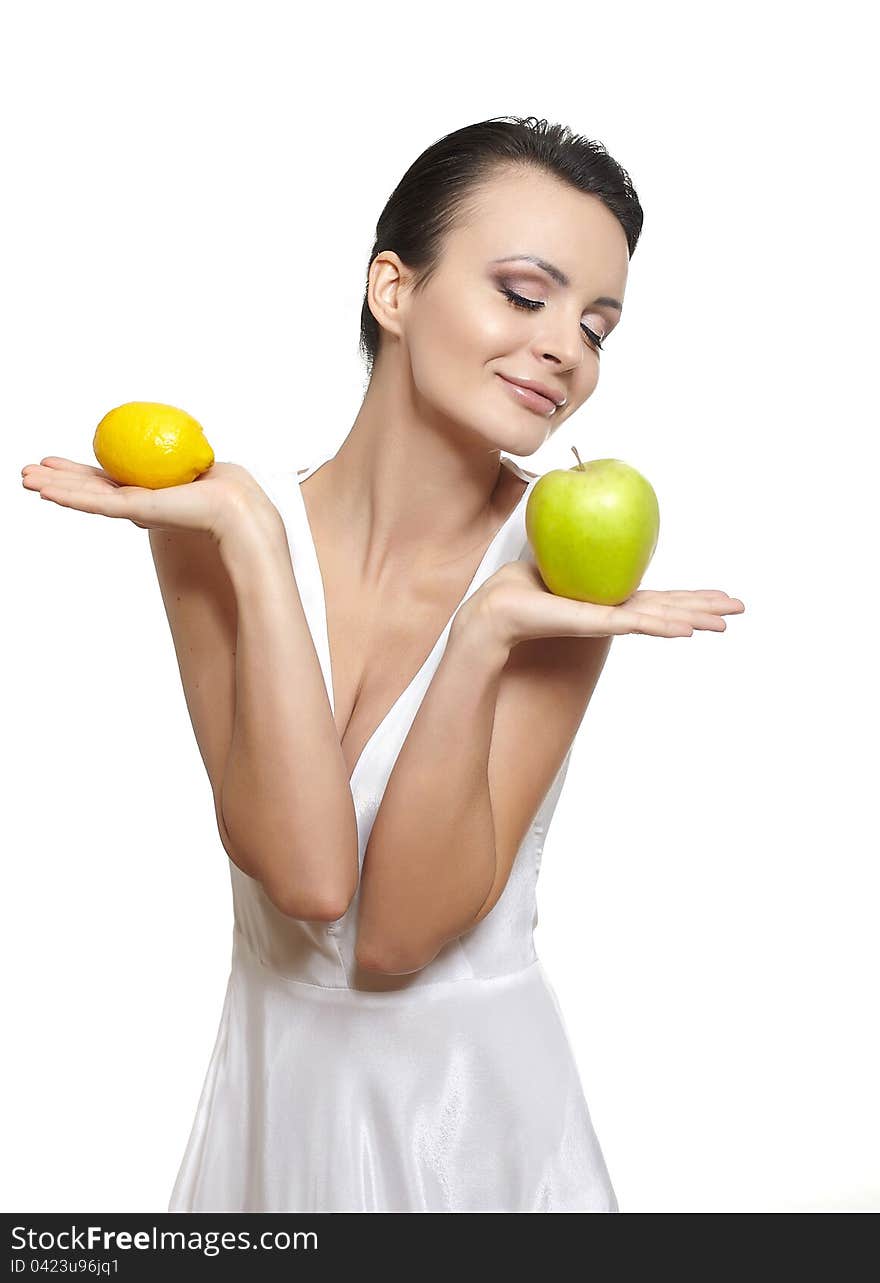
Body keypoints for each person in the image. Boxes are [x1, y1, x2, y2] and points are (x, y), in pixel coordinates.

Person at [21, 115, 745, 1212]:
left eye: (597, 325)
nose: (565, 348)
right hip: (272, 1118)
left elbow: (396, 938)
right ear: (393, 290)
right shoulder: (214, 523)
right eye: (523, 291)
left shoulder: (553, 565)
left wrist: (485, 636)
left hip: (477, 1134)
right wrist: (253, 544)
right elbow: (306, 880)